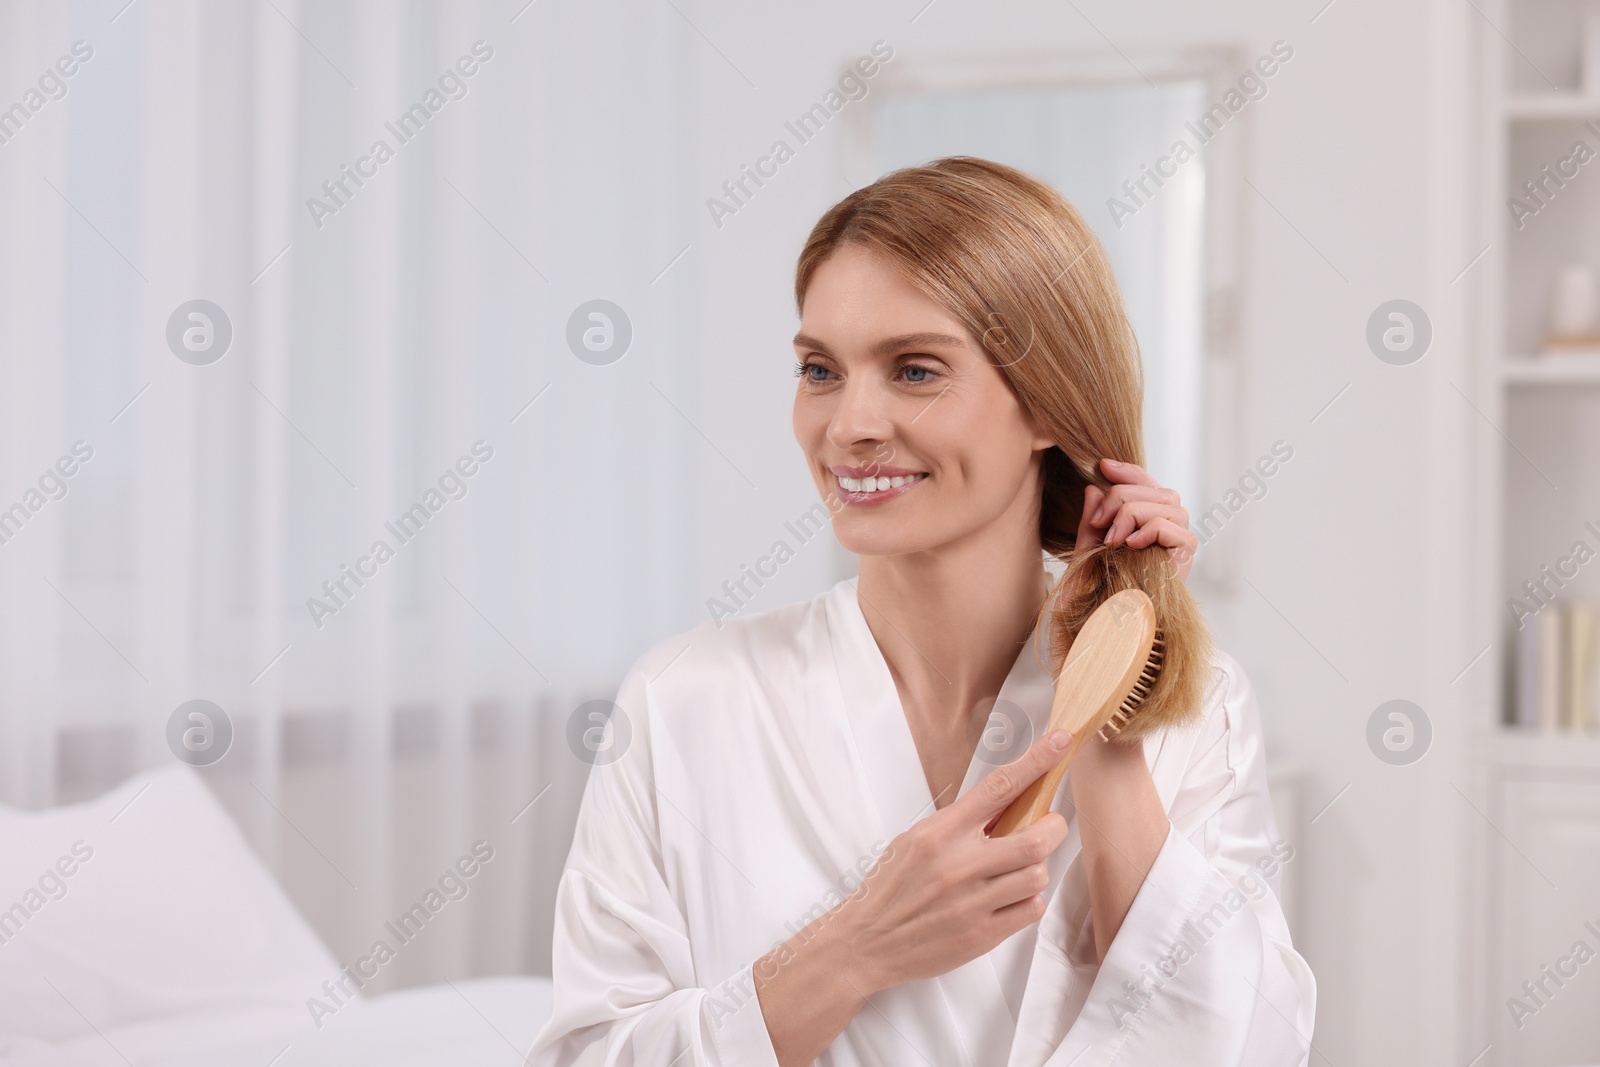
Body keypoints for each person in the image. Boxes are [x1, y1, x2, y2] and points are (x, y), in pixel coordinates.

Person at [527, 156, 1316, 1066]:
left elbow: (1247, 1047)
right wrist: (858, 944)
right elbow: (588, 1055)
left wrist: (1104, 726)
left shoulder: (1197, 705)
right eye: (820, 369)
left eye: (913, 369)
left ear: (1048, 403)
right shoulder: (686, 695)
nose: (849, 423)